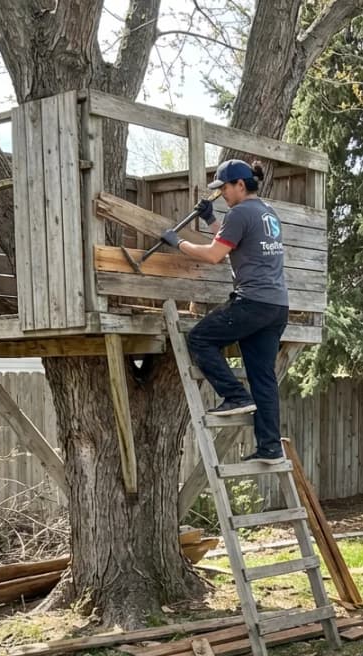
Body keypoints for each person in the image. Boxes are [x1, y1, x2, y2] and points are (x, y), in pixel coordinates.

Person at [160, 159, 289, 464]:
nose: (223, 194)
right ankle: (270, 447)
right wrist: (210, 220)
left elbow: (216, 254)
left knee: (200, 339)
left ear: (240, 185)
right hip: (276, 305)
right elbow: (231, 241)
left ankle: (234, 396)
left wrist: (178, 243)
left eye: (225, 188)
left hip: (253, 302)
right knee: (263, 377)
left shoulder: (241, 212)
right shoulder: (266, 212)